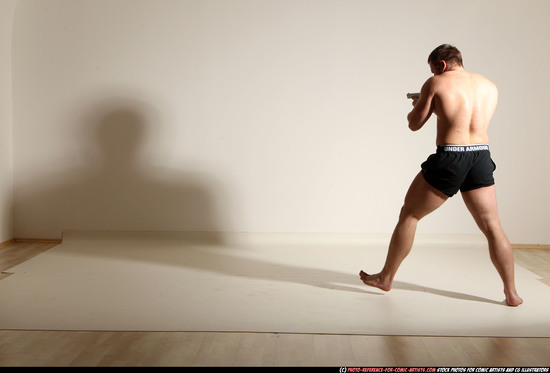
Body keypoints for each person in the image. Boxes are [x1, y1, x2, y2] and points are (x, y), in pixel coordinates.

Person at [359, 44, 523, 307]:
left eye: (433, 68)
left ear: (441, 64)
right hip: (480, 156)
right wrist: (436, 106)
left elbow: (414, 124)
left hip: (450, 157)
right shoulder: (488, 85)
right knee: (493, 227)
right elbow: (466, 119)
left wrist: (420, 103)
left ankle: (386, 277)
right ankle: (512, 293)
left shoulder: (435, 82)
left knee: (409, 214)